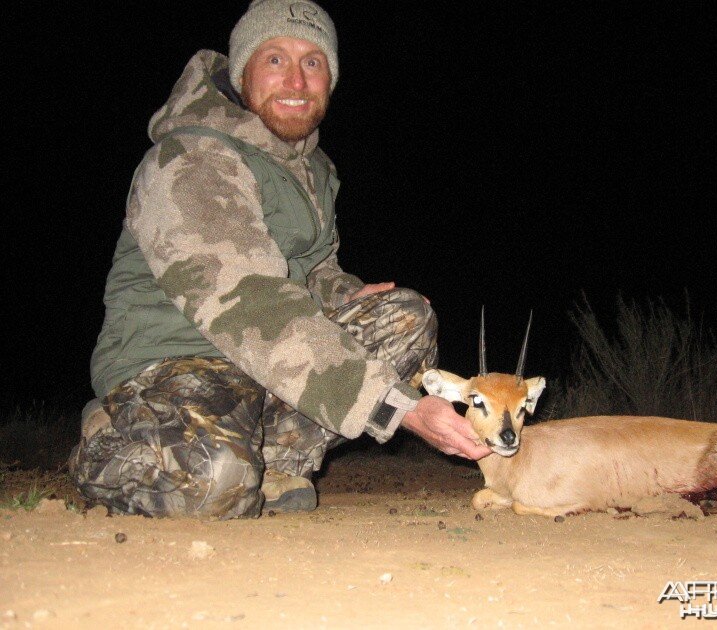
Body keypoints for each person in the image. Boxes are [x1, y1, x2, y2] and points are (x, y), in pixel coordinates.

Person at [69, 0, 491, 519]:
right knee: (213, 481)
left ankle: (276, 462)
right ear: (241, 69)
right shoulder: (192, 159)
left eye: (313, 63)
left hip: (257, 363)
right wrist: (396, 407)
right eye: (275, 60)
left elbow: (314, 272)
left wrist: (344, 294)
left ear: (330, 80)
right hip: (175, 362)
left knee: (405, 316)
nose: (296, 81)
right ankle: (113, 437)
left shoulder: (312, 170)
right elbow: (250, 302)